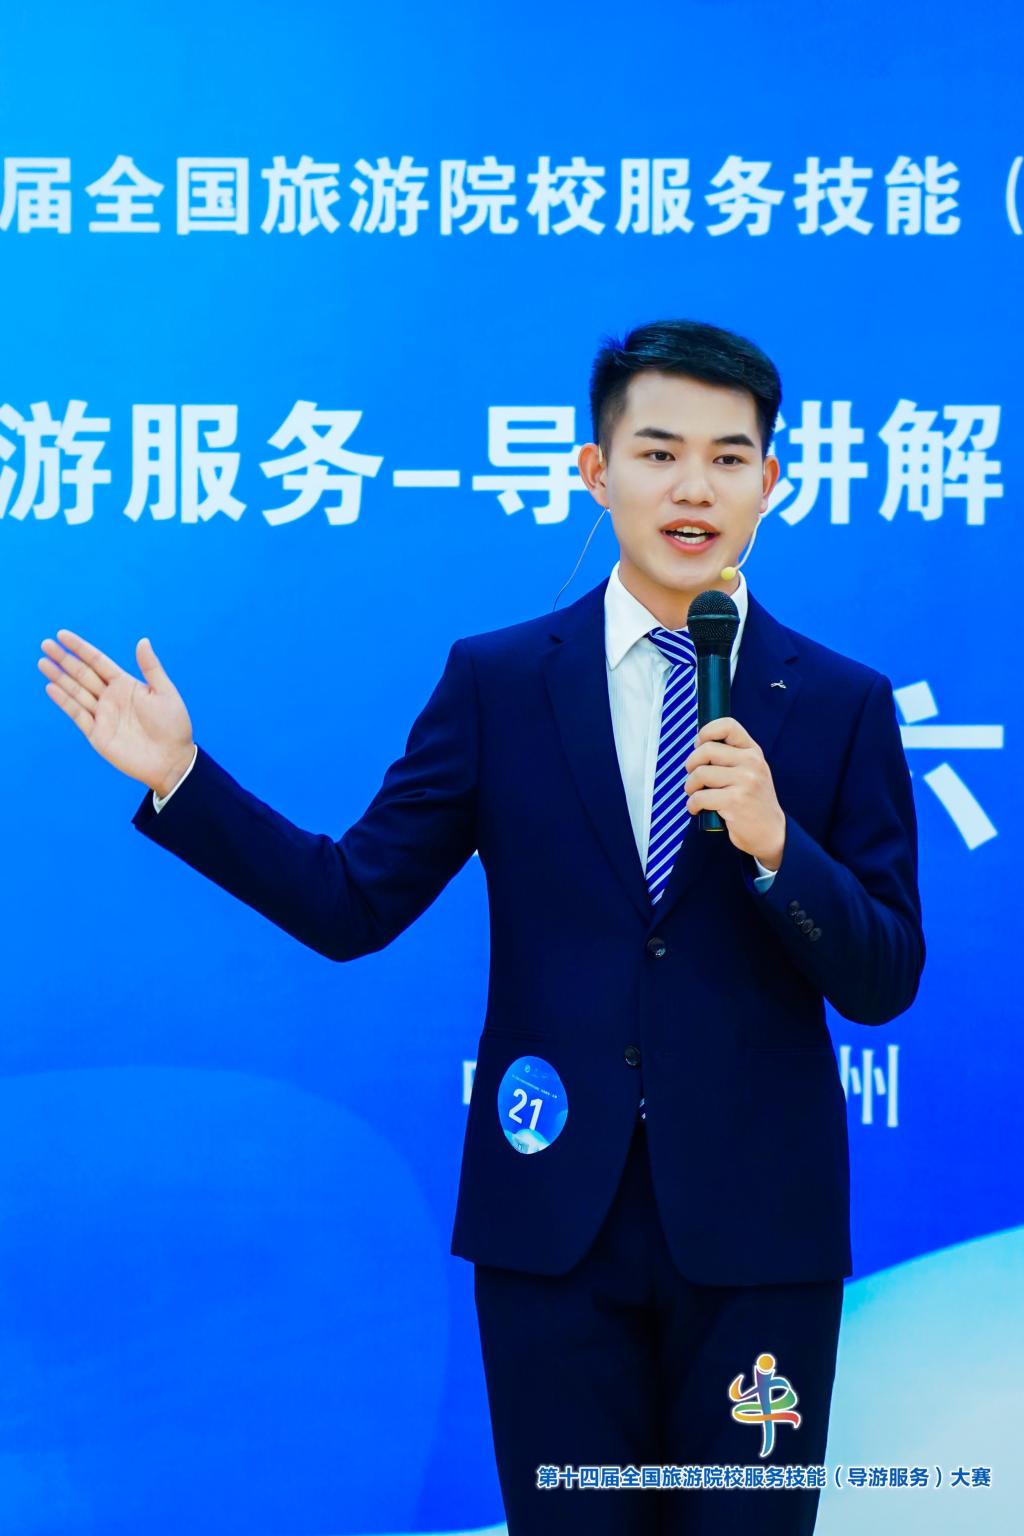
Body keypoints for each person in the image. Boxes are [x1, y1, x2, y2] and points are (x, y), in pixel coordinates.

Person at [38, 318, 925, 1535]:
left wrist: (778, 847)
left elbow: (883, 975)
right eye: (658, 452)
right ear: (594, 470)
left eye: (728, 459)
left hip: (760, 1241)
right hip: (552, 1230)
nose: (693, 488)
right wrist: (185, 781)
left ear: (771, 481)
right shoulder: (500, 683)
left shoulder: (838, 702)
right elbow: (350, 902)